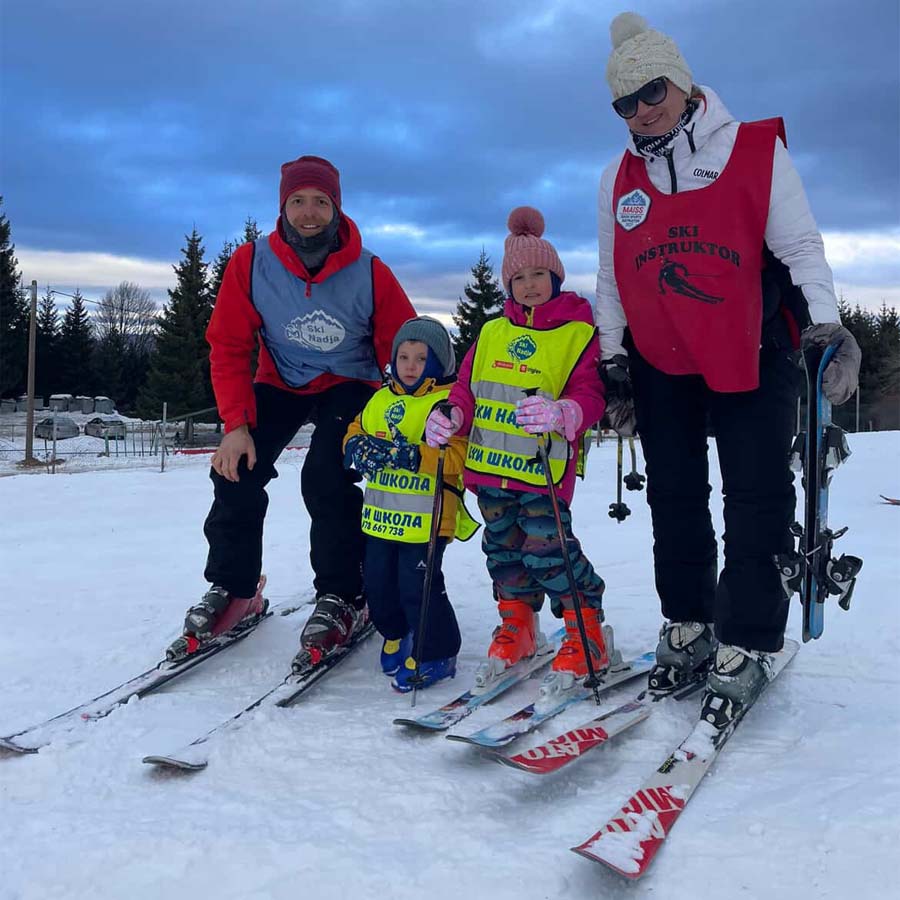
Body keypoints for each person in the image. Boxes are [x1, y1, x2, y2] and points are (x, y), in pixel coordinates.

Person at [596, 13, 862, 725]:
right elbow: (612, 277)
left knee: (757, 494)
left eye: (651, 91)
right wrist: (612, 356)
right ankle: (688, 619)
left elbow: (801, 248)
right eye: (625, 102)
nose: (641, 110)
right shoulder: (617, 177)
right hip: (660, 357)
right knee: (673, 495)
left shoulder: (753, 150)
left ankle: (746, 637)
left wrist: (825, 324)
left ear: (681, 82)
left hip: (751, 346)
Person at [176, 154, 416, 669]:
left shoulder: (370, 271)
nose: (309, 213)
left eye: (321, 202)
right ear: (283, 207)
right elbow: (229, 346)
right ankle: (236, 588)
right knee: (235, 469)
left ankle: (344, 594)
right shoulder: (251, 264)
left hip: (352, 382)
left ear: (337, 208)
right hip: (281, 380)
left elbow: (403, 348)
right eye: (298, 201)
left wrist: (404, 415)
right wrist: (236, 426)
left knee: (325, 476)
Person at [426, 207, 609, 695]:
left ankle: (586, 630)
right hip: (490, 470)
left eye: (538, 275)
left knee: (550, 551)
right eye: (519, 278)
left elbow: (591, 394)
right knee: (503, 551)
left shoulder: (578, 333)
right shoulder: (491, 332)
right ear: (508, 285)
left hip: (541, 471)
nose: (529, 286)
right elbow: (466, 389)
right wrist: (451, 415)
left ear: (556, 278)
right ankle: (518, 624)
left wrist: (564, 412)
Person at [343, 315, 477, 692]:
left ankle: (437, 651)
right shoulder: (381, 398)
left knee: (417, 587)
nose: (411, 366)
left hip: (426, 522)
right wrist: (355, 446)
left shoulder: (448, 404)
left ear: (437, 362)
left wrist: (416, 456)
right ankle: (396, 631)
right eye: (403, 357)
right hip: (381, 519)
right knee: (378, 582)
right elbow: (355, 429)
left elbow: (459, 457)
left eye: (421, 358)